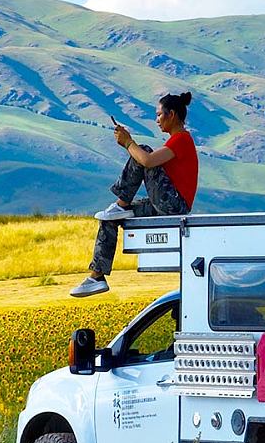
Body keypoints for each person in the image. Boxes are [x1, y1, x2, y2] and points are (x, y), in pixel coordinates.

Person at [70, 92, 198, 297]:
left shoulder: (181, 139)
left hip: (174, 205)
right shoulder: (177, 141)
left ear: (171, 114)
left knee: (143, 151)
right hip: (164, 204)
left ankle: (121, 202)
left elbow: (147, 161)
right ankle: (97, 276)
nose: (156, 120)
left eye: (158, 115)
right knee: (109, 218)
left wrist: (129, 143)